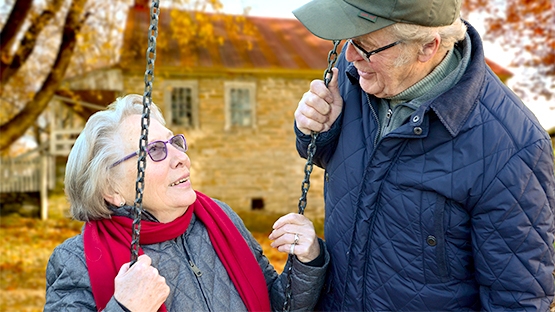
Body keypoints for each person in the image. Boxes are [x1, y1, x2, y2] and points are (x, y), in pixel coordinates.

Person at [292, 0, 555, 310]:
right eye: (350, 40)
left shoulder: (512, 146)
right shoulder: (355, 76)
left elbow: (517, 300)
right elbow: (333, 160)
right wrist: (317, 130)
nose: (350, 56)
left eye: (366, 46)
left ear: (427, 47)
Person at [44, 94, 329, 311]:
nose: (181, 157)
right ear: (111, 189)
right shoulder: (76, 260)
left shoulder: (220, 219)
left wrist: (306, 261)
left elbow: (277, 304)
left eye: (174, 143)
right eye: (154, 150)